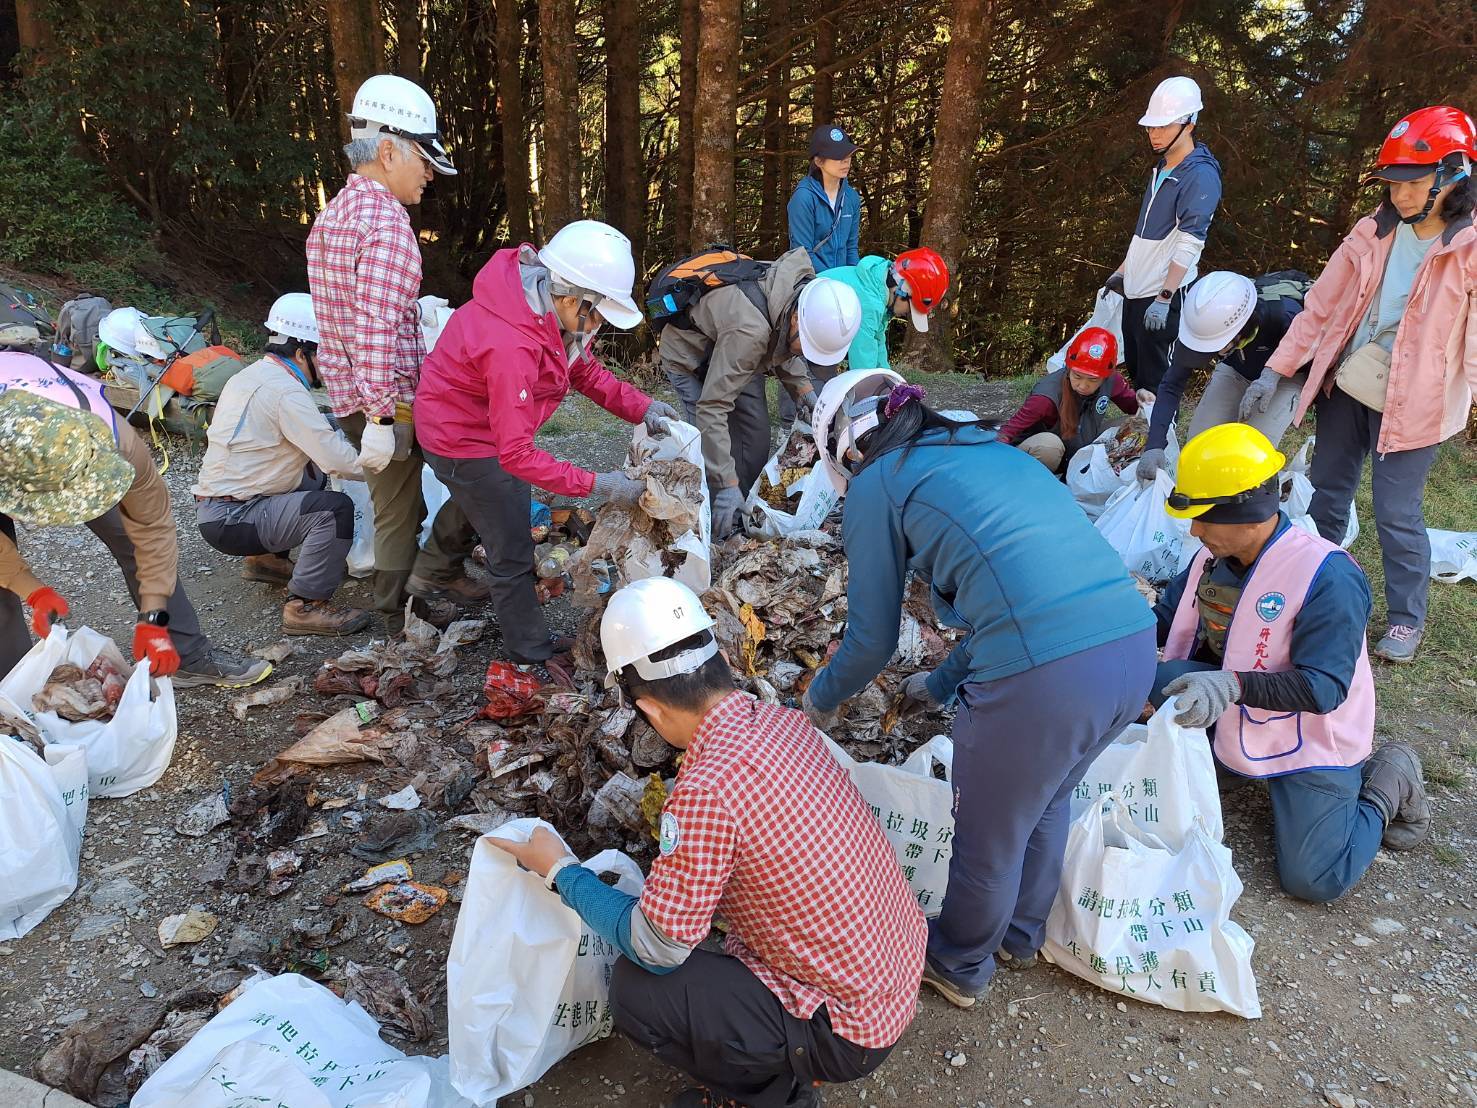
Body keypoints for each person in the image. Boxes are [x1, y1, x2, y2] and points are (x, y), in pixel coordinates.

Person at [493, 576, 925, 1108]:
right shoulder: (786, 723)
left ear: (650, 709)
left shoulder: (706, 790)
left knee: (639, 990)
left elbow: (657, 947)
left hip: (849, 1030)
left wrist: (562, 872)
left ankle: (771, 1097)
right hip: (893, 970)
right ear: (717, 657)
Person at [799, 370, 1157, 1007]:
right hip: (1129, 650)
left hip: (1047, 680)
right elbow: (1019, 599)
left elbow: (871, 639)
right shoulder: (989, 452)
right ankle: (1019, 936)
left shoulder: (878, 482)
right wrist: (938, 684)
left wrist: (819, 701)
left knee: (986, 838)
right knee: (1045, 800)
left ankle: (958, 962)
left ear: (848, 452)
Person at [1150, 423, 1431, 899]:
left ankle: (1391, 775)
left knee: (1314, 879)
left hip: (1310, 733)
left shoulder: (1327, 575)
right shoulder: (1212, 558)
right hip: (1241, 707)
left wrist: (1232, 686)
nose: (1195, 530)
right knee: (1156, 681)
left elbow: (1323, 688)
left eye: (1204, 518)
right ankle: (1231, 760)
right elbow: (1165, 619)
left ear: (1248, 513)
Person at [1244, 105, 1477, 663]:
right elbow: (1322, 305)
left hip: (1416, 402)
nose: (1400, 195)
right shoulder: (1373, 230)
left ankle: (1405, 619)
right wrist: (1277, 368)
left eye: (1414, 183)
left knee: (1395, 511)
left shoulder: (1468, 248)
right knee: (1328, 490)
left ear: (1454, 174)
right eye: (1393, 183)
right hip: (1348, 382)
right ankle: (1318, 589)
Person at [415, 219, 677, 672]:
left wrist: (643, 407)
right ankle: (529, 648)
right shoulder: (511, 343)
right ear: (573, 297)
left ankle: (431, 573)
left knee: (478, 502)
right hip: (462, 439)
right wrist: (600, 484)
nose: (598, 325)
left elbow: (584, 371)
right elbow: (516, 454)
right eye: (598, 314)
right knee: (511, 542)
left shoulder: (543, 312)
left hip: (467, 427)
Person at [306, 73, 482, 631]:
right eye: (423, 161)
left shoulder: (333, 214)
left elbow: (346, 316)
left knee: (395, 509)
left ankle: (405, 604)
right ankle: (415, 602)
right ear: (387, 152)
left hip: (348, 396)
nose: (429, 174)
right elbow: (377, 327)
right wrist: (384, 416)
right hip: (392, 401)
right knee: (482, 474)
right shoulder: (387, 225)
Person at [0, 362, 271, 687]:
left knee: (130, 537)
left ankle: (185, 654)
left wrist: (154, 616)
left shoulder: (117, 441)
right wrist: (31, 590)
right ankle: (11, 688)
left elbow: (152, 528)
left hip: (75, 451)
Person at [193, 294, 372, 637]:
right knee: (333, 509)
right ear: (302, 353)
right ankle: (304, 606)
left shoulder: (253, 375)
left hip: (217, 508)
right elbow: (338, 461)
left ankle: (266, 561)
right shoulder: (287, 393)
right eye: (324, 355)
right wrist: (384, 465)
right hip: (235, 518)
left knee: (310, 477)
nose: (329, 366)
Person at [659, 256, 861, 537]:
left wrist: (804, 392)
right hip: (689, 357)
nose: (805, 354)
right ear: (796, 319)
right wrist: (726, 484)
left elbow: (783, 344)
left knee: (755, 438)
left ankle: (746, 511)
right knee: (708, 445)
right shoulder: (751, 331)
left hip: (735, 352)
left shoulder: (800, 298)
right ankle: (715, 525)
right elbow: (711, 407)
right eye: (807, 347)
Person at [1103, 76, 1222, 394]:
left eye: (1164, 126)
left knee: (1159, 382)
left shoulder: (1200, 174)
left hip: (1162, 294)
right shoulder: (1163, 168)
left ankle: (1160, 428)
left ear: (1189, 124)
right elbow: (1144, 234)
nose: (1154, 134)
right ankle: (1144, 426)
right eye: (1151, 127)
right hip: (1137, 289)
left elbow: (1190, 241)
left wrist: (1164, 298)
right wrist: (1122, 273)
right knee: (1140, 375)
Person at [1136, 270, 1309, 482]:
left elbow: (1318, 356)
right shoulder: (1200, 324)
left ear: (1239, 332)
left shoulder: (1285, 317)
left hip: (1286, 378)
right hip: (1236, 369)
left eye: (1213, 346)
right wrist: (1154, 445)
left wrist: (1272, 375)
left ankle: (1253, 496)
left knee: (1251, 454)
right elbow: (1171, 385)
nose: (1209, 353)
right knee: (1199, 447)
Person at [996, 327, 1150, 474]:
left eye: (1093, 379)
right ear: (1068, 368)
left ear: (1106, 376)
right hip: (1043, 456)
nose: (1083, 385)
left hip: (1083, 448)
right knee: (1050, 446)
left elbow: (1134, 408)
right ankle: (1036, 481)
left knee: (1139, 425)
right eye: (1077, 376)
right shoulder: (1045, 397)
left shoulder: (1112, 380)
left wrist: (1142, 398)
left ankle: (1101, 474)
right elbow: (1007, 433)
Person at [819, 247, 950, 369]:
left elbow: (878, 342)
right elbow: (863, 356)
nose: (906, 313)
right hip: (808, 340)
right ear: (902, 290)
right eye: (910, 309)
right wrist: (872, 383)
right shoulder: (868, 302)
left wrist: (889, 379)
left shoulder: (877, 290)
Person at [788, 124, 862, 273]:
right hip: (812, 280)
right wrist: (835, 280)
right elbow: (803, 254)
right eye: (838, 156)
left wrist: (854, 279)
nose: (846, 161)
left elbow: (851, 248)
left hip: (841, 280)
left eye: (848, 154)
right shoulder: (803, 198)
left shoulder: (851, 197)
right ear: (819, 161)